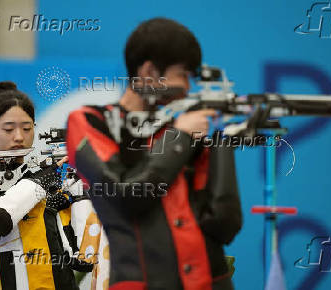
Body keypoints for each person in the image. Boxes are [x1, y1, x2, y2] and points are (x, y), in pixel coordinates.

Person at [66, 18, 242, 290]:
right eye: (183, 74)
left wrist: (222, 135)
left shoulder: (184, 129)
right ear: (149, 71)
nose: (187, 87)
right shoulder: (90, 121)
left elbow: (225, 223)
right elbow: (127, 196)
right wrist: (180, 138)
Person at [0, 81, 98, 290]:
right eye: (9, 129)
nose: (19, 137)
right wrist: (38, 184)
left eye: (27, 128)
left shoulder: (52, 180)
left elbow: (84, 260)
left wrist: (80, 195)